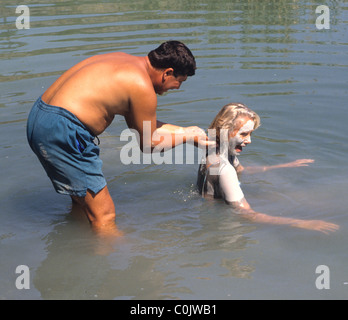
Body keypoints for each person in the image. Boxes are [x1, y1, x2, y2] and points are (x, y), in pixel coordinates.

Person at [27, 41, 211, 237]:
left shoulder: (126, 63)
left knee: (83, 204)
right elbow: (149, 144)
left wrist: (187, 131)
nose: (177, 87)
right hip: (64, 130)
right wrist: (186, 137)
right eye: (179, 81)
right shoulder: (142, 86)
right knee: (105, 217)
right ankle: (112, 263)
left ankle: (77, 244)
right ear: (167, 72)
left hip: (40, 118)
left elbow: (140, 125)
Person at [197, 103, 339, 234]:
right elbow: (247, 214)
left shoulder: (213, 152)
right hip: (222, 227)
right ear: (225, 131)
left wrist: (284, 166)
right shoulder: (225, 170)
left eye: (250, 134)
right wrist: (300, 223)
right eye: (243, 134)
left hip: (206, 212)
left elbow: (241, 170)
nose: (249, 140)